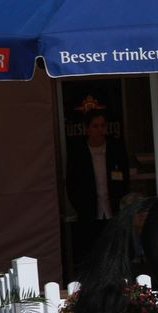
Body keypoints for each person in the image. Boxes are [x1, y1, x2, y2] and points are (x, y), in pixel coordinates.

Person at [66, 109, 130, 273]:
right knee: (92, 250)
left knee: (114, 249)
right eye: (95, 126)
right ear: (87, 128)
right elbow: (72, 183)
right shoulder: (77, 151)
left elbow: (125, 178)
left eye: (102, 125)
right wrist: (80, 206)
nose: (100, 130)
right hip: (89, 211)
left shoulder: (116, 148)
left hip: (113, 208)